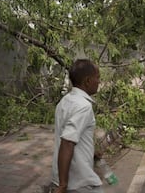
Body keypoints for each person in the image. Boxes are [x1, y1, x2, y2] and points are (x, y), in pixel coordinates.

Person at [51, 59, 103, 193]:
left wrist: (90, 152)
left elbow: (70, 137)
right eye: (97, 78)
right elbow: (67, 142)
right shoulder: (83, 107)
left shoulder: (65, 101)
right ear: (87, 81)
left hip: (68, 178)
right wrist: (63, 185)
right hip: (80, 182)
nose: (99, 82)